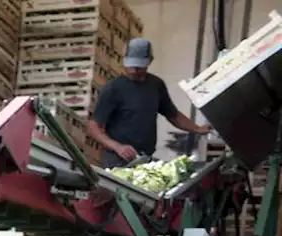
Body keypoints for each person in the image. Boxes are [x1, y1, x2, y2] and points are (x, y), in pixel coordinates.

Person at [88, 37, 211, 169]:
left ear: (149, 61)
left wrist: (197, 129)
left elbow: (173, 115)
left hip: (145, 159)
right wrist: (118, 147)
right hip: (117, 160)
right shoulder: (113, 89)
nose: (134, 71)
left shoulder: (156, 85)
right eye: (131, 66)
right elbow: (93, 127)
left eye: (139, 67)